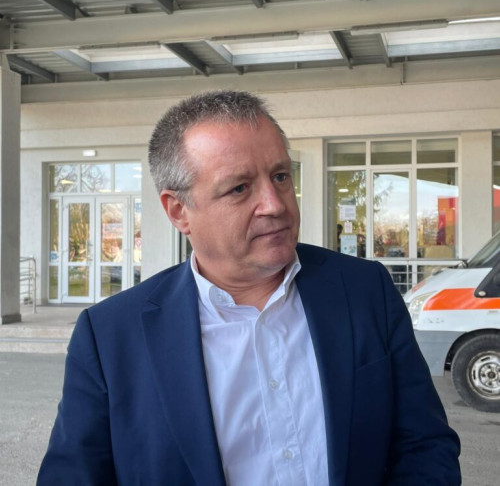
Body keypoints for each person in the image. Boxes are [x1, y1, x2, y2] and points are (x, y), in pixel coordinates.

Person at [38, 90, 461, 485]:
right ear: (179, 210)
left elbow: (425, 445)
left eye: (280, 176)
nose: (275, 204)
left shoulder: (365, 291)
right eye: (239, 188)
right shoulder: (110, 337)